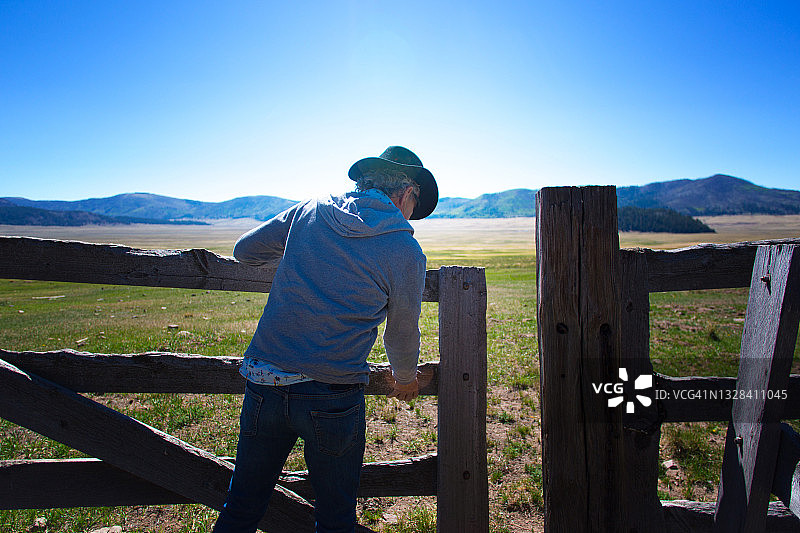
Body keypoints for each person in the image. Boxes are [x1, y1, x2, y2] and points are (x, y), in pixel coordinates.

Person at [212, 146, 438, 533]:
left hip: (264, 379)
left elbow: (245, 251)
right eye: (415, 203)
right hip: (331, 394)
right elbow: (401, 331)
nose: (412, 213)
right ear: (406, 192)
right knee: (334, 518)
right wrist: (405, 380)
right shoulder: (405, 251)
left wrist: (305, 249)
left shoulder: (311, 209)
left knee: (242, 507)